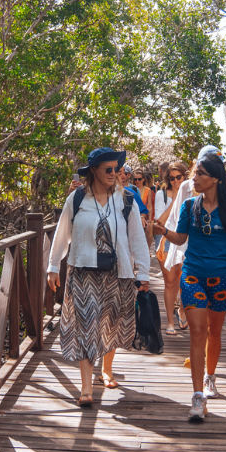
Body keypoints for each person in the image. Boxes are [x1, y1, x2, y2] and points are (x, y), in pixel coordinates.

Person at [47, 147, 151, 407]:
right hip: (83, 271)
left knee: (110, 323)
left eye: (117, 169)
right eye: (109, 169)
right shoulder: (78, 198)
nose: (115, 173)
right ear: (93, 170)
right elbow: (62, 232)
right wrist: (53, 265)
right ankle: (86, 386)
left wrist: (144, 272)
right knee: (85, 324)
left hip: (118, 273)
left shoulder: (126, 199)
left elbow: (137, 238)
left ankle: (107, 369)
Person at [153, 152, 226, 420]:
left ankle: (210, 376)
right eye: (194, 173)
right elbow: (180, 238)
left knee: (214, 332)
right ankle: (197, 398)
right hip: (192, 275)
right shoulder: (189, 206)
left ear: (215, 179)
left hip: (222, 279)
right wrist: (163, 232)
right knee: (197, 332)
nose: (193, 178)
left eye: (199, 174)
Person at [155, 162, 189, 334]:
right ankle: (169, 322)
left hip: (187, 241)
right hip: (166, 238)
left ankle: (182, 310)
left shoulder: (192, 193)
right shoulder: (161, 195)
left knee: (184, 281)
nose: (175, 181)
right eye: (172, 178)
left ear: (185, 176)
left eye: (178, 177)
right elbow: (159, 221)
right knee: (170, 282)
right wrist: (175, 202)